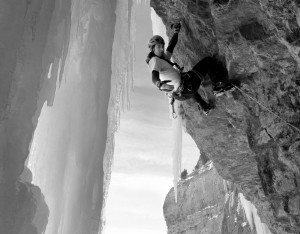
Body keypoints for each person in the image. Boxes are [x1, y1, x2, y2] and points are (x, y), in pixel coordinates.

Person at [146, 22, 234, 116]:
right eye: (158, 47)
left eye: (162, 46)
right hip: (187, 87)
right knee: (208, 61)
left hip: (182, 94)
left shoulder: (162, 58)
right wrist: (159, 84)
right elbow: (154, 76)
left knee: (187, 77)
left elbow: (171, 46)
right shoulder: (154, 60)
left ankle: (203, 105)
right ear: (152, 49)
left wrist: (176, 32)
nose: (162, 49)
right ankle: (218, 86)